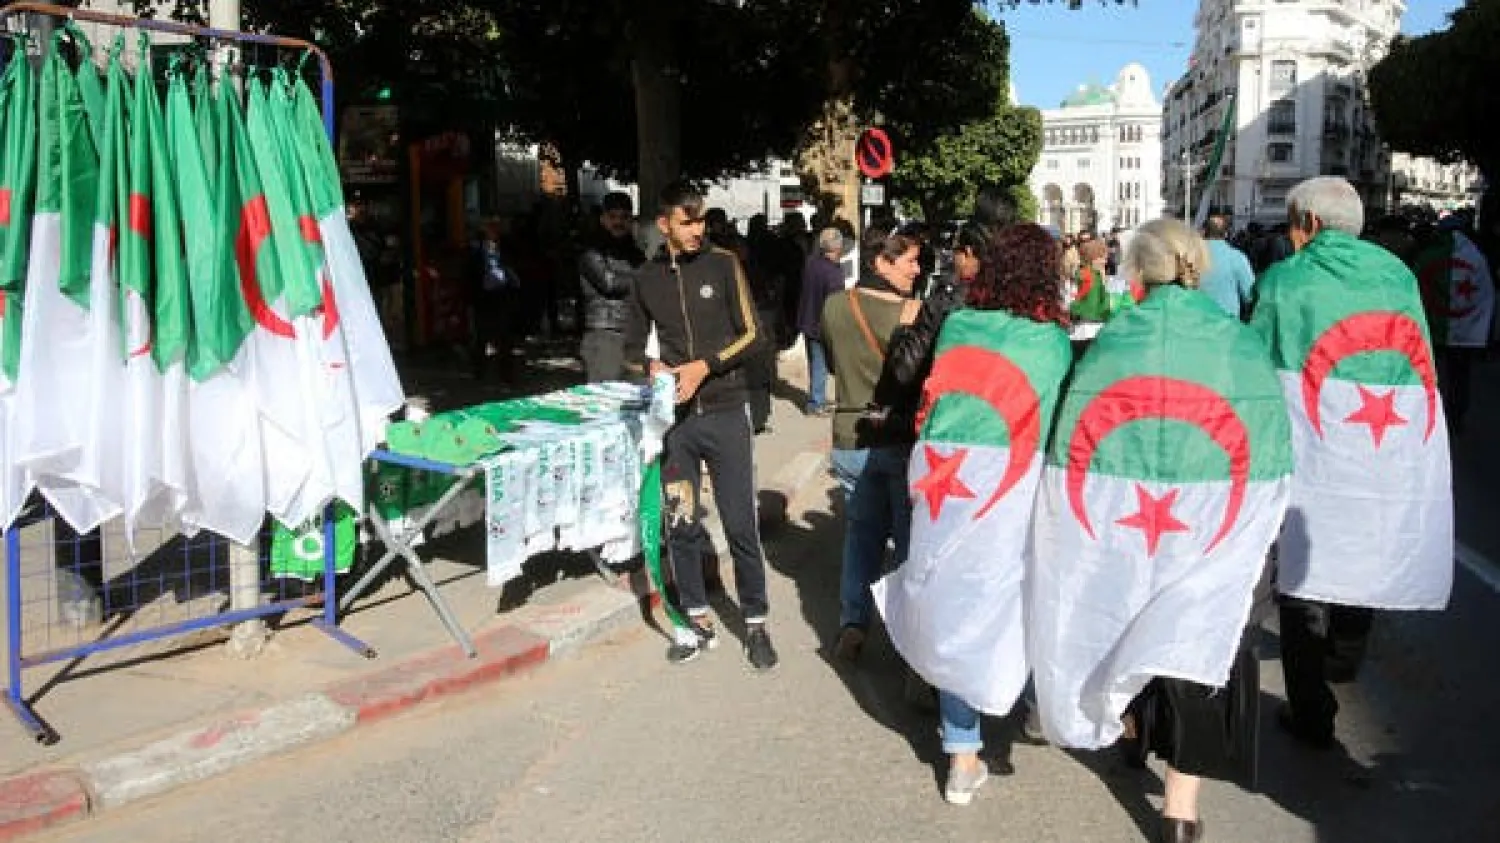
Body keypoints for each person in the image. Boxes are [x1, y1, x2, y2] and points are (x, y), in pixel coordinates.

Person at [1031, 217, 1292, 843]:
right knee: (1197, 646)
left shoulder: (1116, 340)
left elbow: (1077, 436)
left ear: (1138, 270)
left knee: (1128, 616)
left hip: (1128, 521)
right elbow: (1272, 437)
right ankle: (1180, 808)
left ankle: (1127, 725)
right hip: (1214, 521)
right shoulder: (1240, 343)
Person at [1250, 177, 1454, 750]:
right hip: (1382, 440)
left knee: (1303, 574)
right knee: (1364, 540)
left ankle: (1312, 709)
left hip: (1310, 445)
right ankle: (1345, 651)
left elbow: (1256, 361)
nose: (1291, 237)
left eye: (1292, 225)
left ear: (1309, 225)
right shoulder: (1398, 275)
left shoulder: (1285, 281)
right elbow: (1417, 357)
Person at [873, 223, 1073, 806]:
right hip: (1013, 482)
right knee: (1025, 594)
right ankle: (1035, 705)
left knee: (954, 598)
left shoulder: (959, 325)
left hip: (940, 476)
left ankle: (962, 753)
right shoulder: (1052, 342)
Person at [623, 181, 778, 670]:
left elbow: (754, 334)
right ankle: (693, 618)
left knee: (739, 524)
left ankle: (755, 622)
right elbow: (629, 348)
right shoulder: (645, 277)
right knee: (682, 523)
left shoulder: (724, 264)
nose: (697, 230)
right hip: (677, 426)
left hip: (728, 412)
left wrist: (704, 366)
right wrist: (652, 371)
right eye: (686, 221)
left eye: (702, 220)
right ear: (664, 223)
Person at [820, 228, 923, 663]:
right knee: (906, 544)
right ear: (881, 262)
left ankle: (853, 622)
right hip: (898, 438)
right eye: (910, 262)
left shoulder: (835, 305)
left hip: (849, 434)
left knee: (860, 536)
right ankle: (908, 638)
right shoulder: (914, 313)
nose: (917, 270)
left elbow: (829, 360)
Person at [578, 192, 646, 382]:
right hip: (604, 334)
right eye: (613, 217)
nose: (619, 222)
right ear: (603, 219)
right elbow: (609, 283)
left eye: (624, 217)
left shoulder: (635, 253)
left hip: (635, 333)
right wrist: (645, 277)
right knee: (605, 403)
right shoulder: (591, 251)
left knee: (636, 402)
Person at [796, 228, 847, 416]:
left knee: (815, 362)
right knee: (820, 364)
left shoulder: (811, 263)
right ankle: (816, 403)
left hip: (807, 319)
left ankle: (818, 398)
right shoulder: (834, 272)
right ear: (838, 247)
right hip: (821, 324)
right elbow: (836, 303)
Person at [471, 218, 521, 383]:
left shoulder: (506, 247)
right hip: (484, 299)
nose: (493, 231)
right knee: (481, 338)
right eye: (489, 227)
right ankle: (479, 373)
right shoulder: (476, 250)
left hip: (502, 297)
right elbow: (469, 275)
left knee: (504, 337)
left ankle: (507, 374)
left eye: (495, 228)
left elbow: (513, 269)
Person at [1198, 214, 1255, 319]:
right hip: (1228, 323)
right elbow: (1250, 295)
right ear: (1226, 234)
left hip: (1195, 321)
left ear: (1203, 232)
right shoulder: (1237, 257)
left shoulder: (1191, 257)